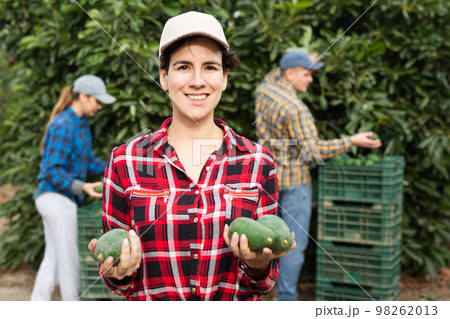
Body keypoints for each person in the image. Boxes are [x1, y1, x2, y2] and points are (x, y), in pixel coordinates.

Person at [88, 11, 295, 301]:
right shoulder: (125, 161)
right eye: (184, 67)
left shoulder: (258, 162)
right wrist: (117, 271)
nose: (198, 81)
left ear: (224, 78)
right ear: (164, 77)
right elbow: (120, 280)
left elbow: (262, 283)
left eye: (210, 67)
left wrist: (260, 264)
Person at [254, 50, 382, 301]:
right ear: (290, 73)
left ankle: (262, 293)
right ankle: (287, 300)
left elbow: (275, 73)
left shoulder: (265, 90)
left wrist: (302, 59)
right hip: (294, 184)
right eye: (307, 73)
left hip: (268, 179)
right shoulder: (295, 108)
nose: (311, 79)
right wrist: (350, 141)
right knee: (292, 246)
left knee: (266, 238)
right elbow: (312, 150)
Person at [32, 75, 116, 301]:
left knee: (54, 260)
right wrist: (82, 187)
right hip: (55, 199)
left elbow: (86, 160)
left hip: (62, 199)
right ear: (83, 96)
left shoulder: (81, 124)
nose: (99, 107)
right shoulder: (63, 125)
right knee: (69, 261)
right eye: (97, 101)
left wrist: (115, 165)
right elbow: (51, 170)